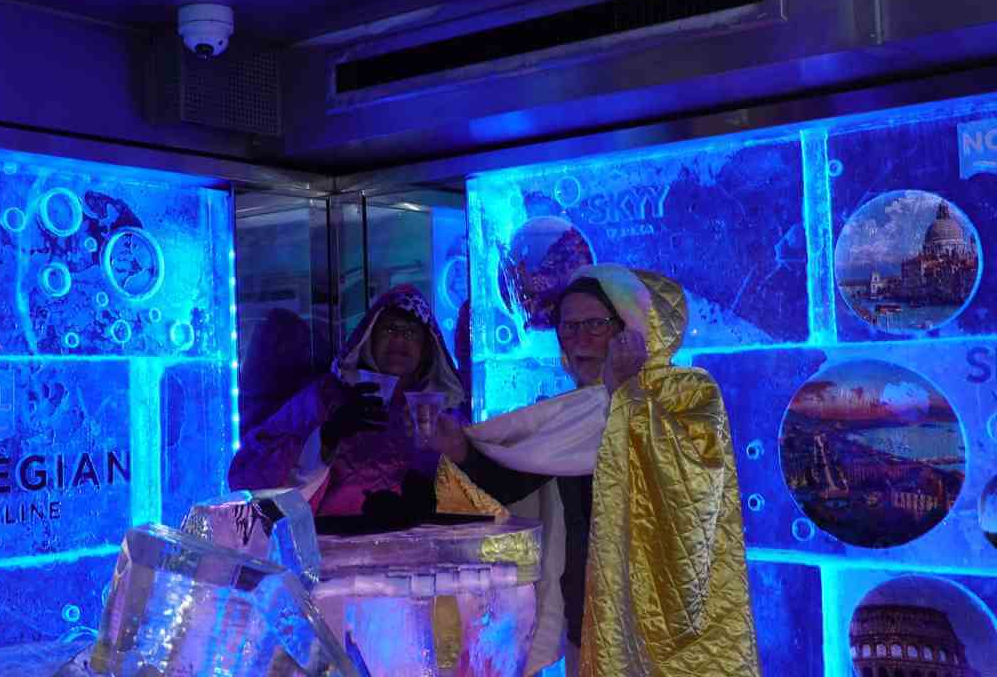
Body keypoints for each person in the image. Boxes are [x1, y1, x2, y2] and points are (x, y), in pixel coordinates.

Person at [434, 264, 761, 677]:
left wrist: (625, 396)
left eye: (594, 324)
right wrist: (461, 449)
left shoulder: (688, 394)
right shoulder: (572, 413)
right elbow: (516, 484)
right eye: (568, 328)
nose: (578, 340)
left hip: (661, 630)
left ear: (631, 329)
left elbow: (693, 487)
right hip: (587, 619)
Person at [228, 284, 467, 520]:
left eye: (412, 332)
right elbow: (248, 477)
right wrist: (326, 437)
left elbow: (484, 498)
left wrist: (458, 455)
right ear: (368, 337)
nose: (400, 340)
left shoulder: (442, 414)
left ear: (427, 349)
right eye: (390, 329)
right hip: (333, 548)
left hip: (422, 550)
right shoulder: (325, 396)